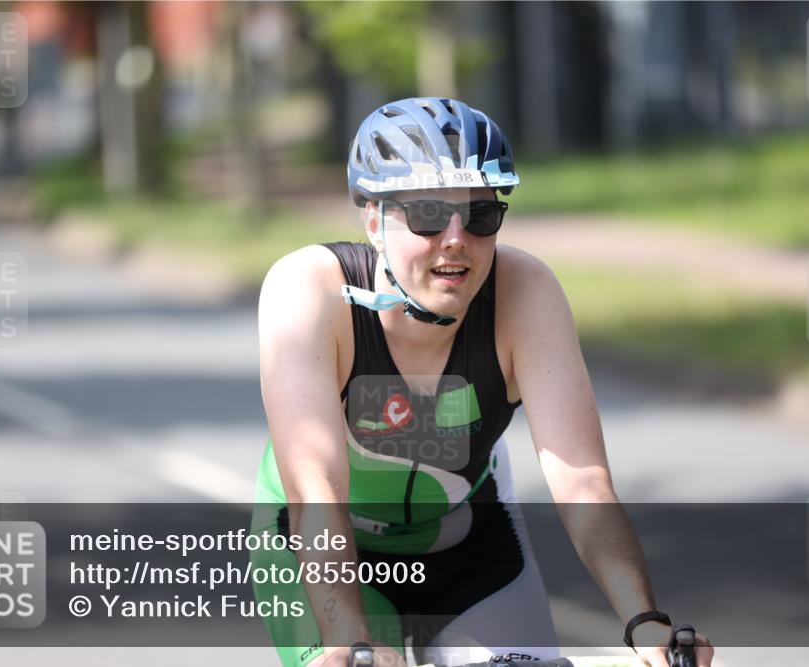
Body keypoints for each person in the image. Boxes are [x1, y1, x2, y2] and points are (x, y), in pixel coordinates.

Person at [252, 98, 714, 667]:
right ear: (373, 219)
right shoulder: (308, 289)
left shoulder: (525, 293)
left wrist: (644, 622)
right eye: (426, 213)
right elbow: (317, 489)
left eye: (480, 215)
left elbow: (583, 482)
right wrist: (351, 640)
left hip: (467, 542)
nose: (455, 239)